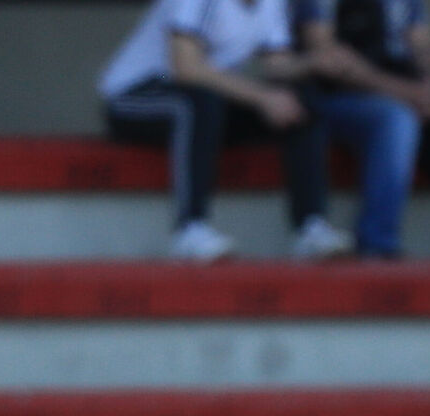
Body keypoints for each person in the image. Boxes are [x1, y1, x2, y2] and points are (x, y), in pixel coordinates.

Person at [101, 0, 352, 262]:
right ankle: (190, 230)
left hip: (205, 99)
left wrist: (314, 63)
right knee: (197, 104)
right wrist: (262, 97)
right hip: (135, 95)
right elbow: (185, 67)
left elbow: (277, 64)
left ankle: (311, 228)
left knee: (299, 104)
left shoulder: (271, 4)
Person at [295, 0, 430, 260]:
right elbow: (327, 55)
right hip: (337, 97)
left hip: (405, 92)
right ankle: (377, 243)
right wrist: (405, 93)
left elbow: (422, 45)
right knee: (397, 120)